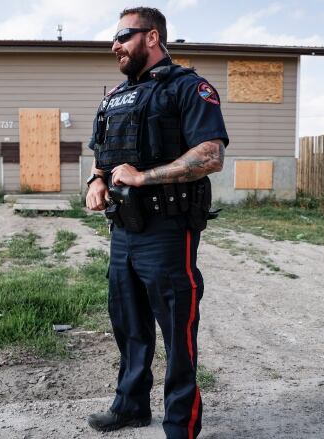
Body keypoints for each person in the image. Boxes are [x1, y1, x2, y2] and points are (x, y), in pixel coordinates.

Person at [84, 6, 228, 439]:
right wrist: (96, 179)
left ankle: (180, 426)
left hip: (168, 230)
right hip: (122, 229)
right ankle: (130, 407)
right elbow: (103, 152)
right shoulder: (115, 96)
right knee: (128, 323)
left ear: (151, 37)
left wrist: (145, 176)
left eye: (123, 36)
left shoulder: (188, 87)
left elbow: (211, 155)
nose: (115, 45)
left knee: (177, 331)